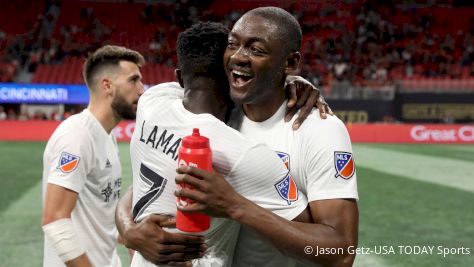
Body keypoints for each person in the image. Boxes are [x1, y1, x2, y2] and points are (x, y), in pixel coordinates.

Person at [176, 7, 358, 267]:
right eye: (233, 45)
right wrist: (129, 229)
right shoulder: (218, 114)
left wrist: (235, 206)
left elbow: (340, 253)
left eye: (256, 49)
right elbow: (149, 182)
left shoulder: (320, 130)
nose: (238, 56)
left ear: (291, 63)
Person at [121, 21, 310, 267]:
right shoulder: (242, 153)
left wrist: (128, 230)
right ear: (233, 75)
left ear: (179, 76)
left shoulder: (152, 101)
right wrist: (236, 206)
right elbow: (312, 239)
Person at [41, 45, 146, 267]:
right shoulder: (76, 137)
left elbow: (99, 214)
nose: (141, 89)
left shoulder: (107, 136)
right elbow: (55, 221)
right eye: (133, 80)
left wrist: (129, 239)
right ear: (107, 86)